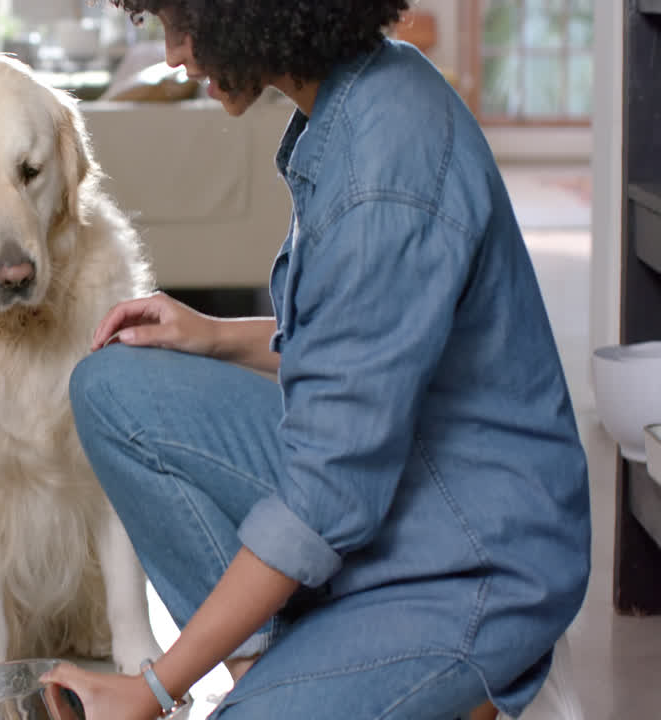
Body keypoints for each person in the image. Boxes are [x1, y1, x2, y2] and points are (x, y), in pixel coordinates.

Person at [39, 2, 592, 719]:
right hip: (410, 487)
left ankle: (435, 682)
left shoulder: (382, 165)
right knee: (113, 386)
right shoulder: (367, 90)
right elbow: (368, 342)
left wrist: (153, 687)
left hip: (475, 566)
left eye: (186, 22)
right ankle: (296, 666)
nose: (174, 53)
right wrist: (216, 335)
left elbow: (328, 496)